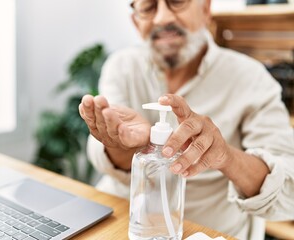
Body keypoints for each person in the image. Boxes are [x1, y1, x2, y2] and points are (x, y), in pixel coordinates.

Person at [78, 0, 294, 239]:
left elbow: (289, 191)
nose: (162, 18)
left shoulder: (252, 79)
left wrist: (226, 157)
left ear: (205, 9)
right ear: (135, 21)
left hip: (204, 231)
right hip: (119, 220)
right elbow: (105, 154)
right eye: (148, 7)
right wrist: (128, 144)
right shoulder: (121, 66)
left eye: (177, 1)